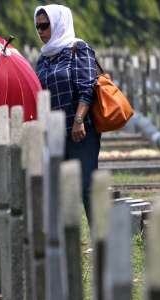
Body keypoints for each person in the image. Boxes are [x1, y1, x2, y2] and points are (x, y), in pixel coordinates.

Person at [34, 4, 99, 220]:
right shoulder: (43, 59)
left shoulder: (78, 49)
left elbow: (87, 86)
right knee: (56, 190)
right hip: (53, 134)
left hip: (80, 132)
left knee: (87, 187)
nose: (41, 31)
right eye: (38, 27)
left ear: (59, 24)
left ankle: (100, 243)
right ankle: (60, 246)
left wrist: (79, 120)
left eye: (45, 25)